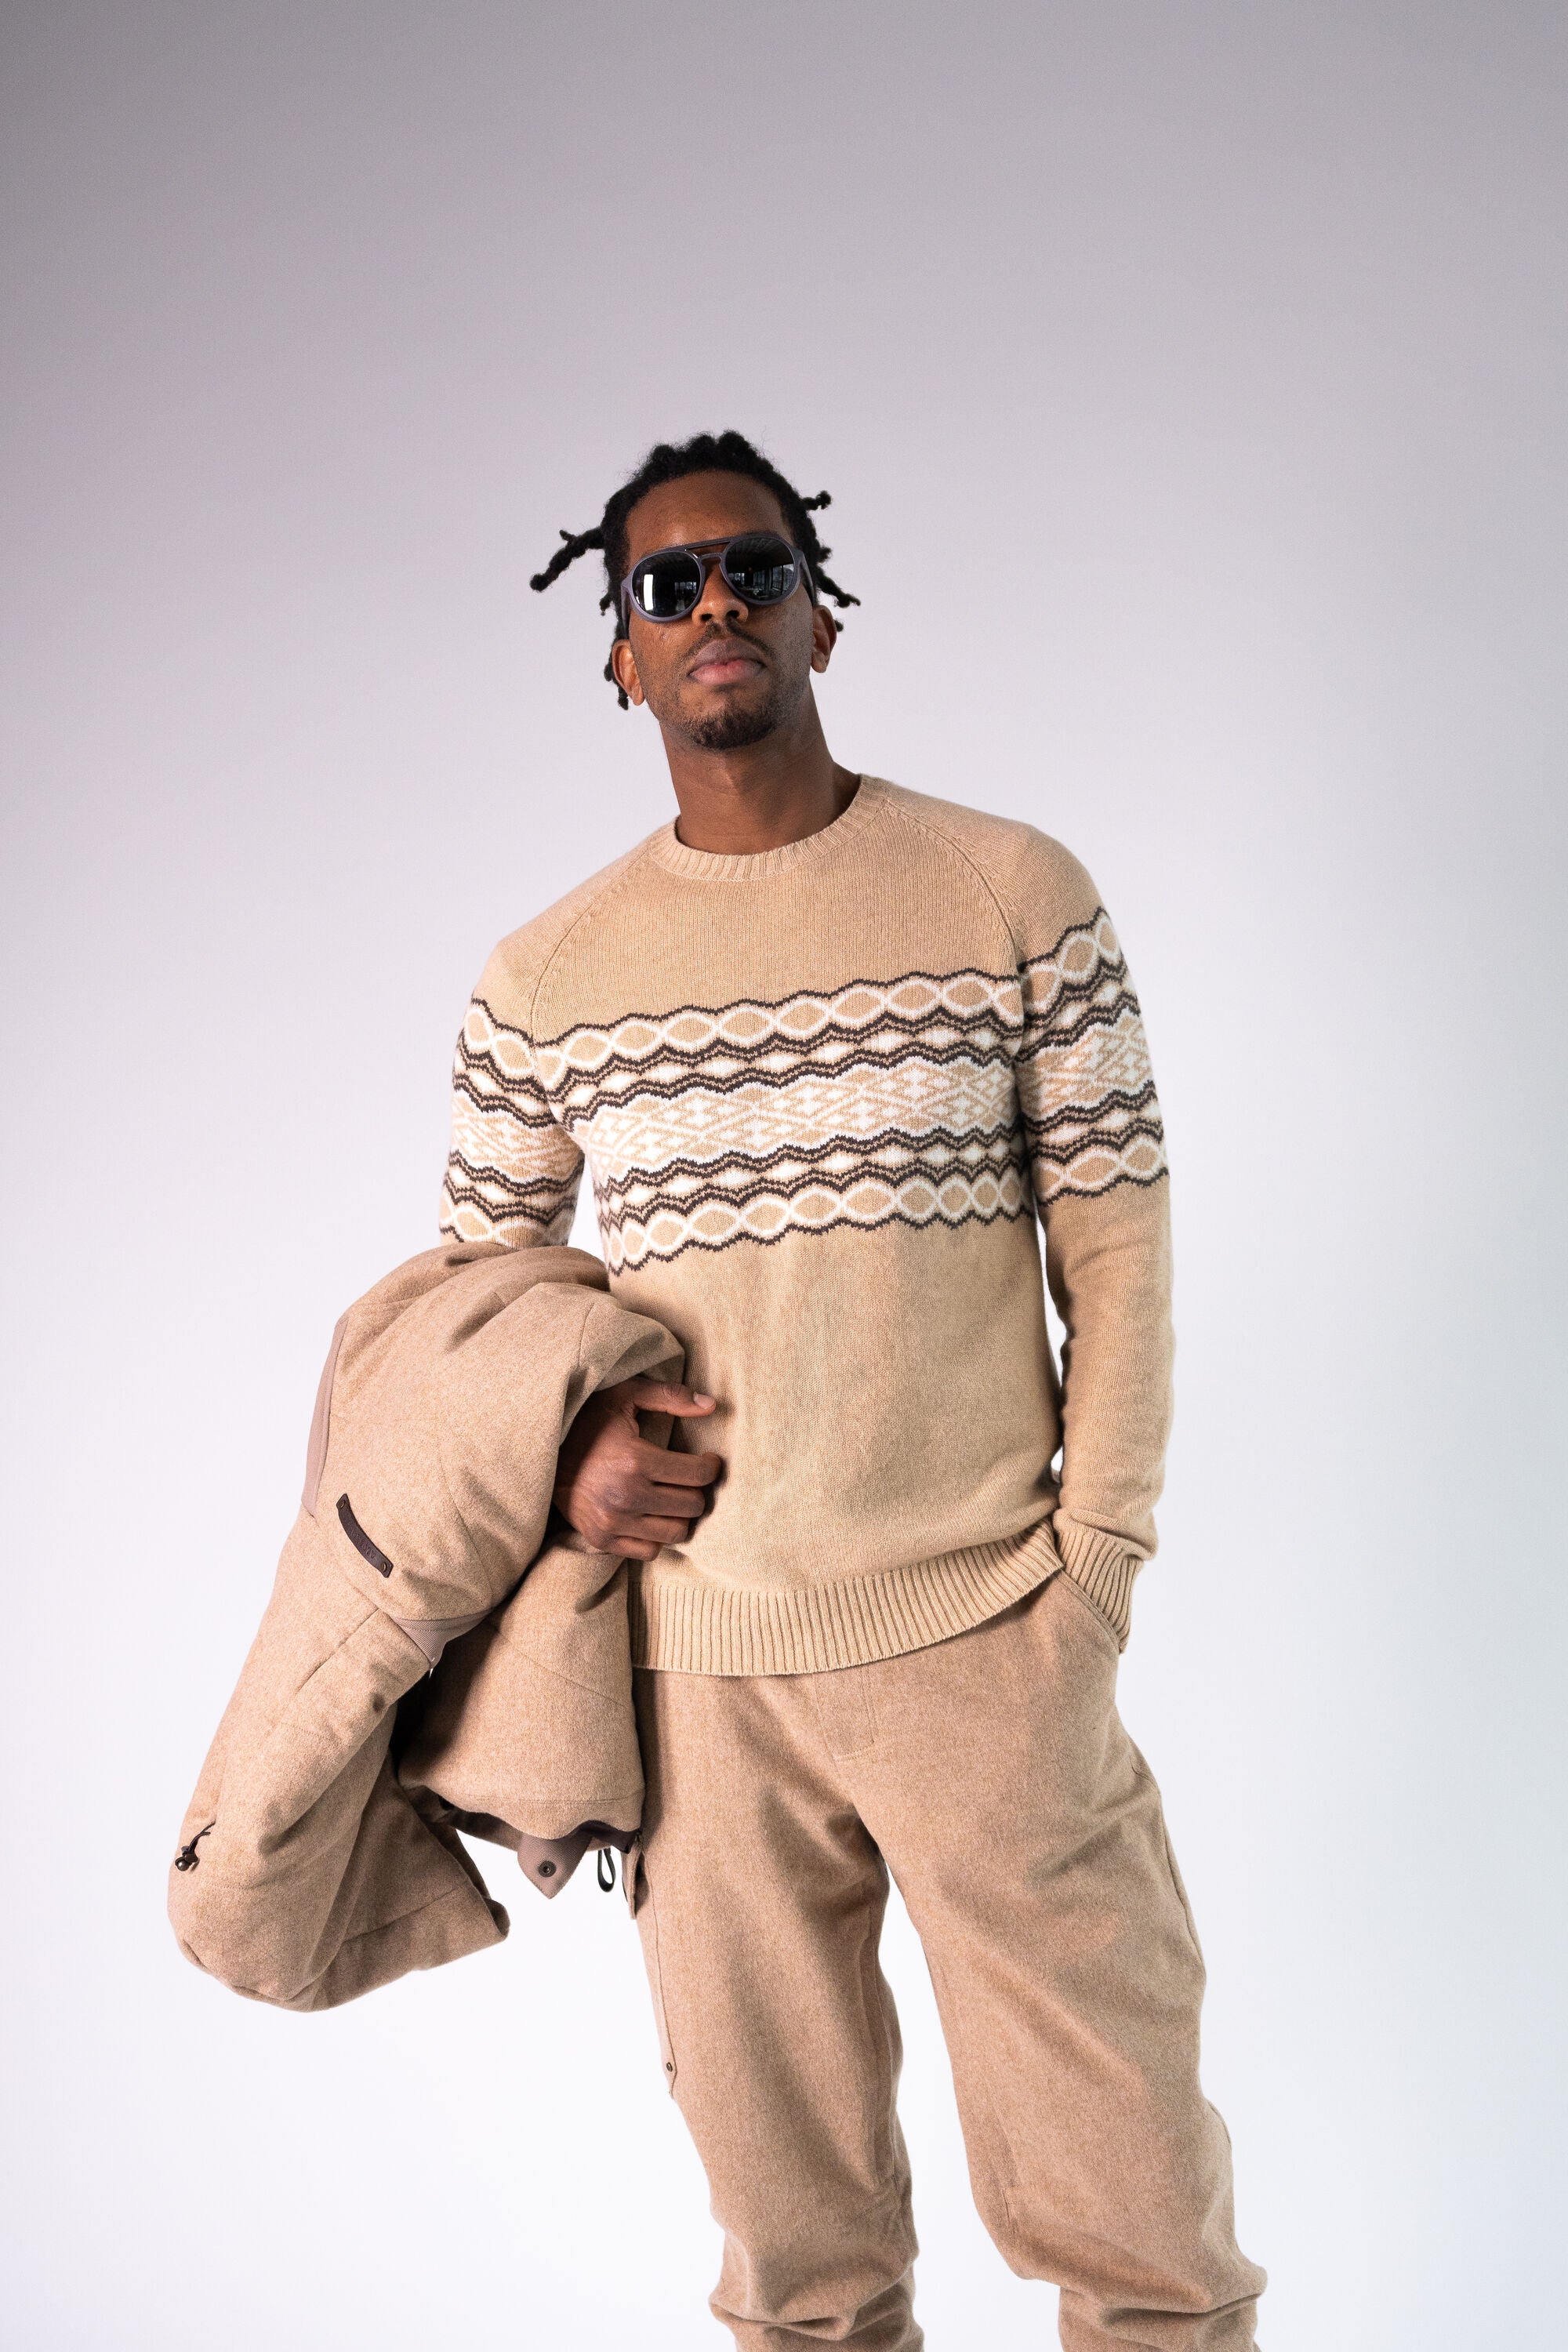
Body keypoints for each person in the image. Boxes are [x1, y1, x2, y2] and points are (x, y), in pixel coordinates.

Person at [439, 430, 1265, 2350]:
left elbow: (1119, 1253)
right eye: (665, 586)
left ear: (823, 615)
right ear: (621, 655)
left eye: (756, 566)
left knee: (1143, 2238)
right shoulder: (543, 979)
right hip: (697, 1682)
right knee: (801, 2277)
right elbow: (477, 1315)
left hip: (988, 1636)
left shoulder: (1009, 891)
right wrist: (567, 1467)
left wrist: (1093, 1572)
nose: (714, 604)